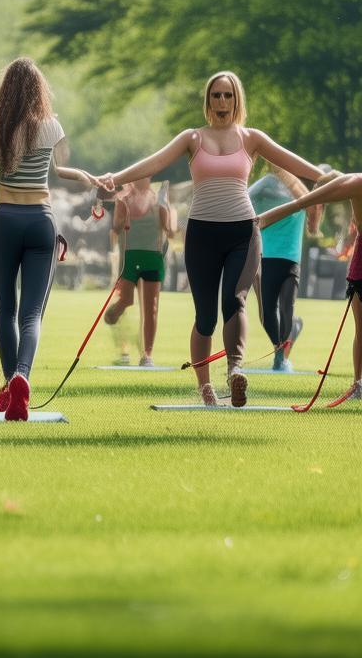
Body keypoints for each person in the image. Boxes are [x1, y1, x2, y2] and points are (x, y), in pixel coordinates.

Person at [101, 72, 324, 407]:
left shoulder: (251, 138)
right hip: (202, 234)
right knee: (205, 316)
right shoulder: (193, 138)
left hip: (243, 233)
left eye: (228, 96)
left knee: (234, 301)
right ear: (208, 102)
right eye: (216, 96)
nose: (222, 102)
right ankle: (205, 387)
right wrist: (114, 178)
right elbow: (156, 161)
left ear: (237, 101)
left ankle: (235, 371)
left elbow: (288, 159)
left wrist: (327, 178)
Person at [0, 57, 107, 421]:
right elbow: (56, 171)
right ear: (39, 89)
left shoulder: (0, 127)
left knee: (4, 308)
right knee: (32, 313)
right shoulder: (51, 126)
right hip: (41, 220)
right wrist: (88, 177)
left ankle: (11, 387)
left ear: (5, 90)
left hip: (6, 219)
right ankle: (24, 374)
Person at [258, 170, 362, 402]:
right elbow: (303, 202)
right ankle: (359, 384)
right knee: (361, 330)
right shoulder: (356, 182)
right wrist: (263, 219)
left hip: (349, 267)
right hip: (359, 270)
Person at [249, 165, 320, 372]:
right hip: (266, 258)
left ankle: (280, 355)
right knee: (267, 313)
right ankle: (281, 351)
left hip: (291, 260)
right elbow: (247, 202)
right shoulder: (266, 192)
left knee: (286, 309)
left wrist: (279, 167)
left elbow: (313, 205)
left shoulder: (301, 197)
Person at [104, 178, 175, 366]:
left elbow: (169, 230)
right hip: (129, 259)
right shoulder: (123, 200)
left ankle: (147, 355)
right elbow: (116, 229)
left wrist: (165, 207)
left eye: (146, 176)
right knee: (126, 300)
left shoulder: (158, 200)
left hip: (153, 258)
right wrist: (125, 215)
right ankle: (123, 350)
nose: (143, 180)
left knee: (151, 309)